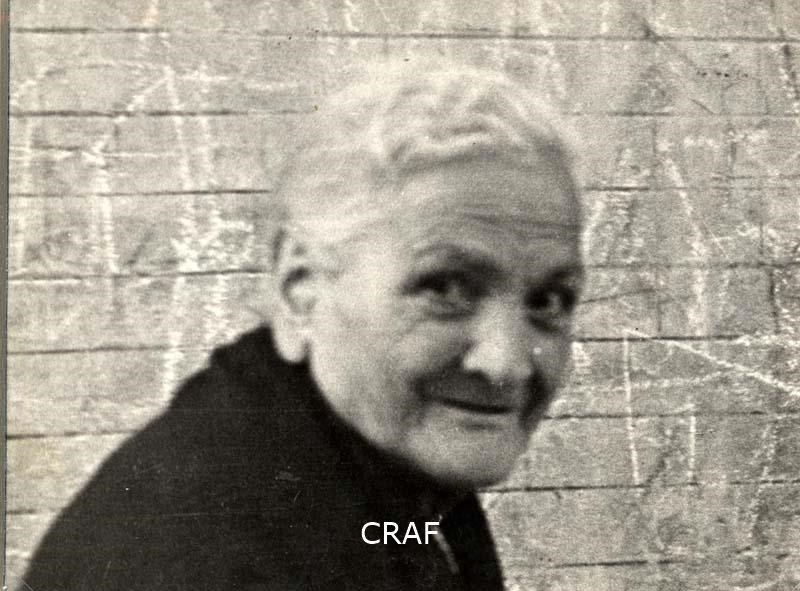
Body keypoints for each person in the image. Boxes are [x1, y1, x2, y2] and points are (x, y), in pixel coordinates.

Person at [20, 60, 583, 591]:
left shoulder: (382, 472)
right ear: (299, 289)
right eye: (445, 289)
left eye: (548, 300)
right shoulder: (213, 553)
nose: (507, 364)